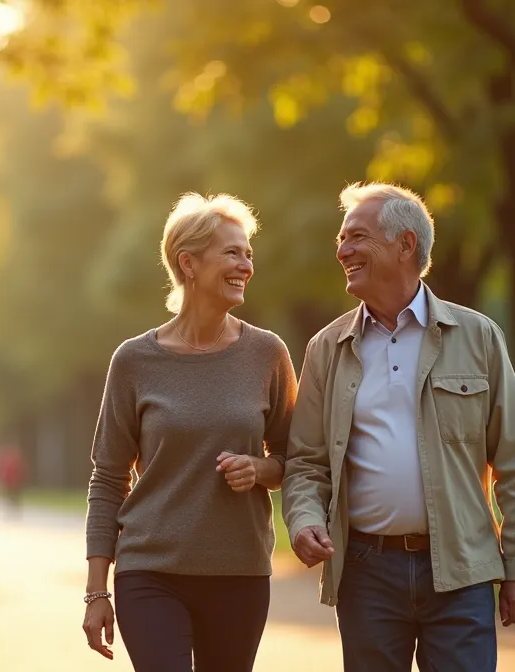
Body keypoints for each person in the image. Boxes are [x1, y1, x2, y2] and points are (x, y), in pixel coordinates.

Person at [281, 183, 515, 672]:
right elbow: (306, 462)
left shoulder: (478, 336)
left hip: (462, 570)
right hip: (367, 574)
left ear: (405, 244)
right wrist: (304, 519)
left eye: (357, 237)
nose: (342, 251)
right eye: (341, 239)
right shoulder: (326, 348)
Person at [82, 193, 298, 671]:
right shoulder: (134, 360)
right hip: (149, 570)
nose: (246, 265)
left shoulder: (267, 353)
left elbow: (294, 459)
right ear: (188, 263)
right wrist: (97, 590)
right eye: (232, 253)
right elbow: (108, 478)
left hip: (238, 572)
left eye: (248, 254)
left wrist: (259, 469)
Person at [0, 443, 26, 517]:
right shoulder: (11, 459)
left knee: (14, 495)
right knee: (11, 494)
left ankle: (14, 507)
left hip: (13, 481)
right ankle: (12, 508)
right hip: (11, 481)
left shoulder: (12, 459)